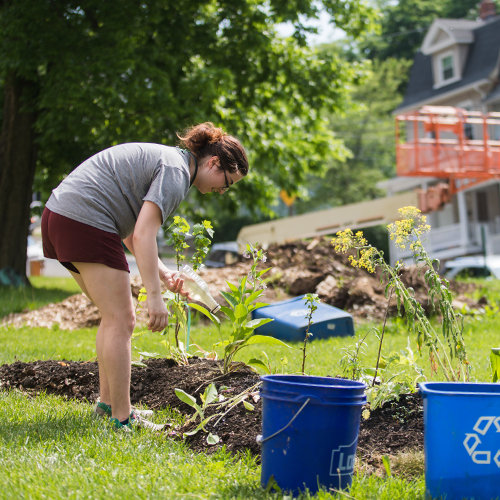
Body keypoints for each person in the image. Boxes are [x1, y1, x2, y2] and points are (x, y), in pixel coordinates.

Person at [41, 122, 249, 431]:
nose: (223, 190)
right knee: (122, 320)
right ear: (213, 162)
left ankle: (108, 407)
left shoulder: (173, 162)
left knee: (112, 318)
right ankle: (121, 420)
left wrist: (163, 276)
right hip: (84, 219)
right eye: (227, 181)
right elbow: (142, 236)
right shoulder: (177, 172)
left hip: (61, 215)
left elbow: (131, 233)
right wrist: (154, 296)